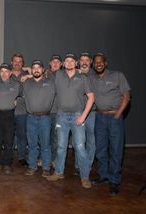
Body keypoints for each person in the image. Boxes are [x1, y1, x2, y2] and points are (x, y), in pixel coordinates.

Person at [47, 53, 94, 189]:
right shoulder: (58, 75)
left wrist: (83, 116)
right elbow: (41, 73)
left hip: (77, 116)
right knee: (61, 146)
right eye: (66, 61)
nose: (69, 63)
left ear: (76, 63)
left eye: (71, 61)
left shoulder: (82, 77)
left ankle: (85, 177)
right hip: (61, 116)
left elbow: (91, 97)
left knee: (79, 146)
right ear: (63, 64)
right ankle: (58, 172)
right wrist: (27, 75)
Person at [90, 53, 130, 195]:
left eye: (101, 62)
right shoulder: (92, 78)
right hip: (99, 117)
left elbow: (127, 95)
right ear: (93, 65)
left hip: (114, 117)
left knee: (116, 149)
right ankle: (103, 175)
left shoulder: (117, 75)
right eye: (96, 62)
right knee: (100, 149)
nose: (98, 64)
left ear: (105, 63)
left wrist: (118, 113)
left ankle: (114, 180)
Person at [23, 60, 55, 177]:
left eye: (39, 68)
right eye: (34, 68)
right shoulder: (26, 83)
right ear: (31, 70)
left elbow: (59, 73)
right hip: (30, 118)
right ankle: (32, 166)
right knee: (32, 144)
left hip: (45, 118)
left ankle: (46, 168)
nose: (36, 69)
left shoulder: (51, 82)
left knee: (45, 144)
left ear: (43, 69)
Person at [0, 63, 20, 175]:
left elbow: (22, 95)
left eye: (6, 71)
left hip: (9, 115)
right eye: (2, 71)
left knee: (9, 141)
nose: (4, 74)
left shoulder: (17, 84)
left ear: (11, 73)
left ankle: (7, 164)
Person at [10, 53, 29, 167]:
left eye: (19, 61)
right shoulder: (6, 74)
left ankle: (22, 157)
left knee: (22, 136)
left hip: (23, 111)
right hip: (9, 111)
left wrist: (28, 74)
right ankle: (9, 157)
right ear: (11, 62)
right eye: (15, 61)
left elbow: (43, 73)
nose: (17, 63)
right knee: (9, 136)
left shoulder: (27, 75)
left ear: (23, 63)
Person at [46, 55, 63, 168]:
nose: (55, 63)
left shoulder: (65, 75)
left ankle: (54, 159)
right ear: (50, 63)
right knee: (44, 138)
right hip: (46, 112)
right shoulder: (44, 75)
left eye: (58, 61)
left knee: (56, 138)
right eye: (53, 61)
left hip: (59, 113)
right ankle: (45, 158)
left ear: (61, 64)